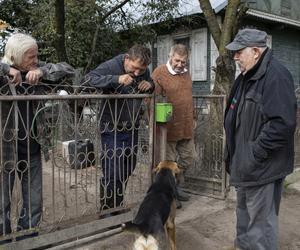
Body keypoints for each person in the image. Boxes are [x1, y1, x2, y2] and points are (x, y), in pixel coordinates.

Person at [223, 28, 297, 250]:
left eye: (239, 52)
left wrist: (255, 153)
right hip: (245, 166)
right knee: (244, 220)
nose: (235, 56)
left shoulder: (276, 76)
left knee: (261, 229)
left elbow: (282, 124)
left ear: (256, 51)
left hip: (261, 168)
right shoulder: (247, 75)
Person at [0, 33, 74, 238]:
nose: (35, 60)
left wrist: (41, 70)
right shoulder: (3, 73)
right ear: (15, 57)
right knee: (2, 202)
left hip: (31, 147)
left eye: (36, 56)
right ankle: (5, 241)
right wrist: (7, 69)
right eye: (30, 57)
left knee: (34, 200)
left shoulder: (36, 70)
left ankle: (28, 238)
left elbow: (67, 69)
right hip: (4, 150)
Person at [85, 44, 154, 211]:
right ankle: (108, 211)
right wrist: (116, 79)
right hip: (111, 128)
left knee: (127, 168)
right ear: (127, 58)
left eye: (142, 70)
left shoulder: (142, 70)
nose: (137, 73)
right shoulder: (111, 66)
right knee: (112, 171)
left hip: (132, 127)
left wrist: (149, 85)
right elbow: (87, 80)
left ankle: (117, 205)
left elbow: (151, 84)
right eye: (135, 68)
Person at [151, 44, 197, 208]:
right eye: (177, 60)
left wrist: (194, 116)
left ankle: (176, 187)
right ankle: (168, 195)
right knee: (168, 164)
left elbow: (189, 96)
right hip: (167, 128)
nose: (180, 64)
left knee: (188, 158)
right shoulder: (159, 73)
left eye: (183, 62)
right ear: (170, 57)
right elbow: (149, 98)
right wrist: (155, 120)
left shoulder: (186, 74)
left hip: (186, 125)